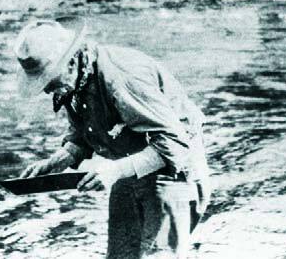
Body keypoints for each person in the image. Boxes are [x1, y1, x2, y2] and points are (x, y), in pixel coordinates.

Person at [15, 20, 211, 258]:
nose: (47, 90)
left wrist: (114, 171)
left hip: (173, 172)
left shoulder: (123, 77)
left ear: (72, 61)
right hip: (127, 165)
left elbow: (174, 144)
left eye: (50, 81)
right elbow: (84, 130)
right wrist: (63, 158)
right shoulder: (77, 78)